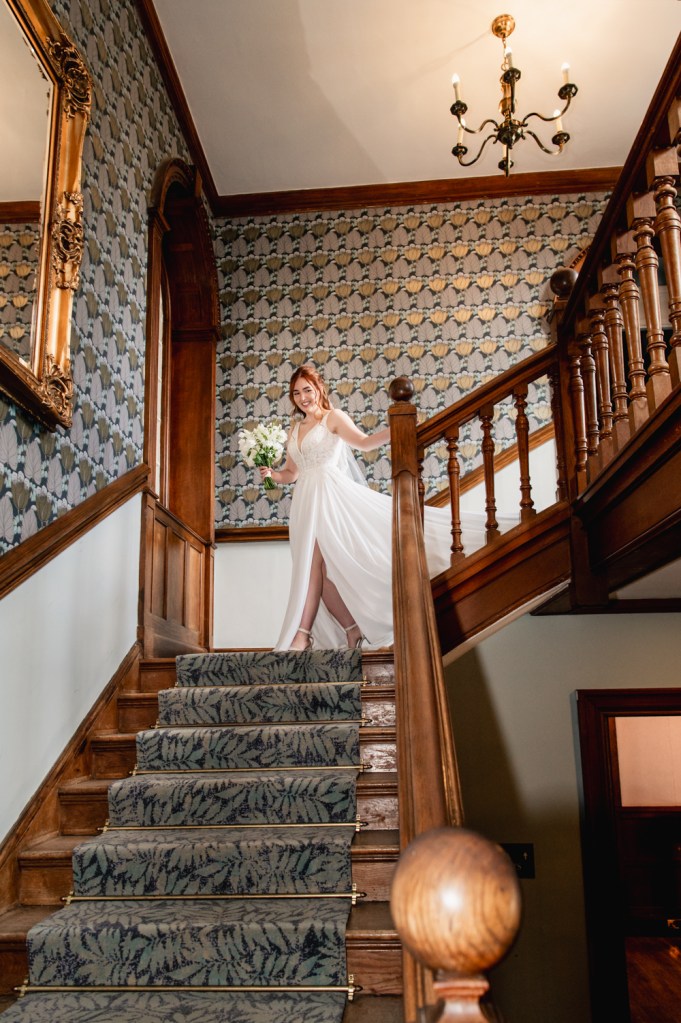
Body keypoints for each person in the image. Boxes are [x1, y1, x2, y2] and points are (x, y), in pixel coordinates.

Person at [260, 364, 494, 650]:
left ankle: (302, 634)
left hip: (330, 498)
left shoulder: (333, 418)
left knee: (312, 567)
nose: (302, 397)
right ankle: (352, 628)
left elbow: (364, 443)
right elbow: (292, 473)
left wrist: (399, 428)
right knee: (317, 573)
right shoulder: (295, 428)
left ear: (319, 388)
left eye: (307, 390)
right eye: (296, 393)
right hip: (305, 501)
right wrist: (273, 475)